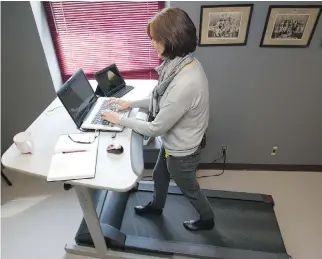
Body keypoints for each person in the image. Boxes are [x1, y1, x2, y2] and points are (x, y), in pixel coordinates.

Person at [101, 7, 214, 231]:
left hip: (183, 151)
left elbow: (154, 128)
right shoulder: (181, 63)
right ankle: (157, 206)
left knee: (188, 187)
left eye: (155, 39)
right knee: (159, 174)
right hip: (174, 141)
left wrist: (118, 119)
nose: (152, 43)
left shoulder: (184, 83)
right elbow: (160, 98)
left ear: (171, 39)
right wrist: (129, 104)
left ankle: (207, 219)